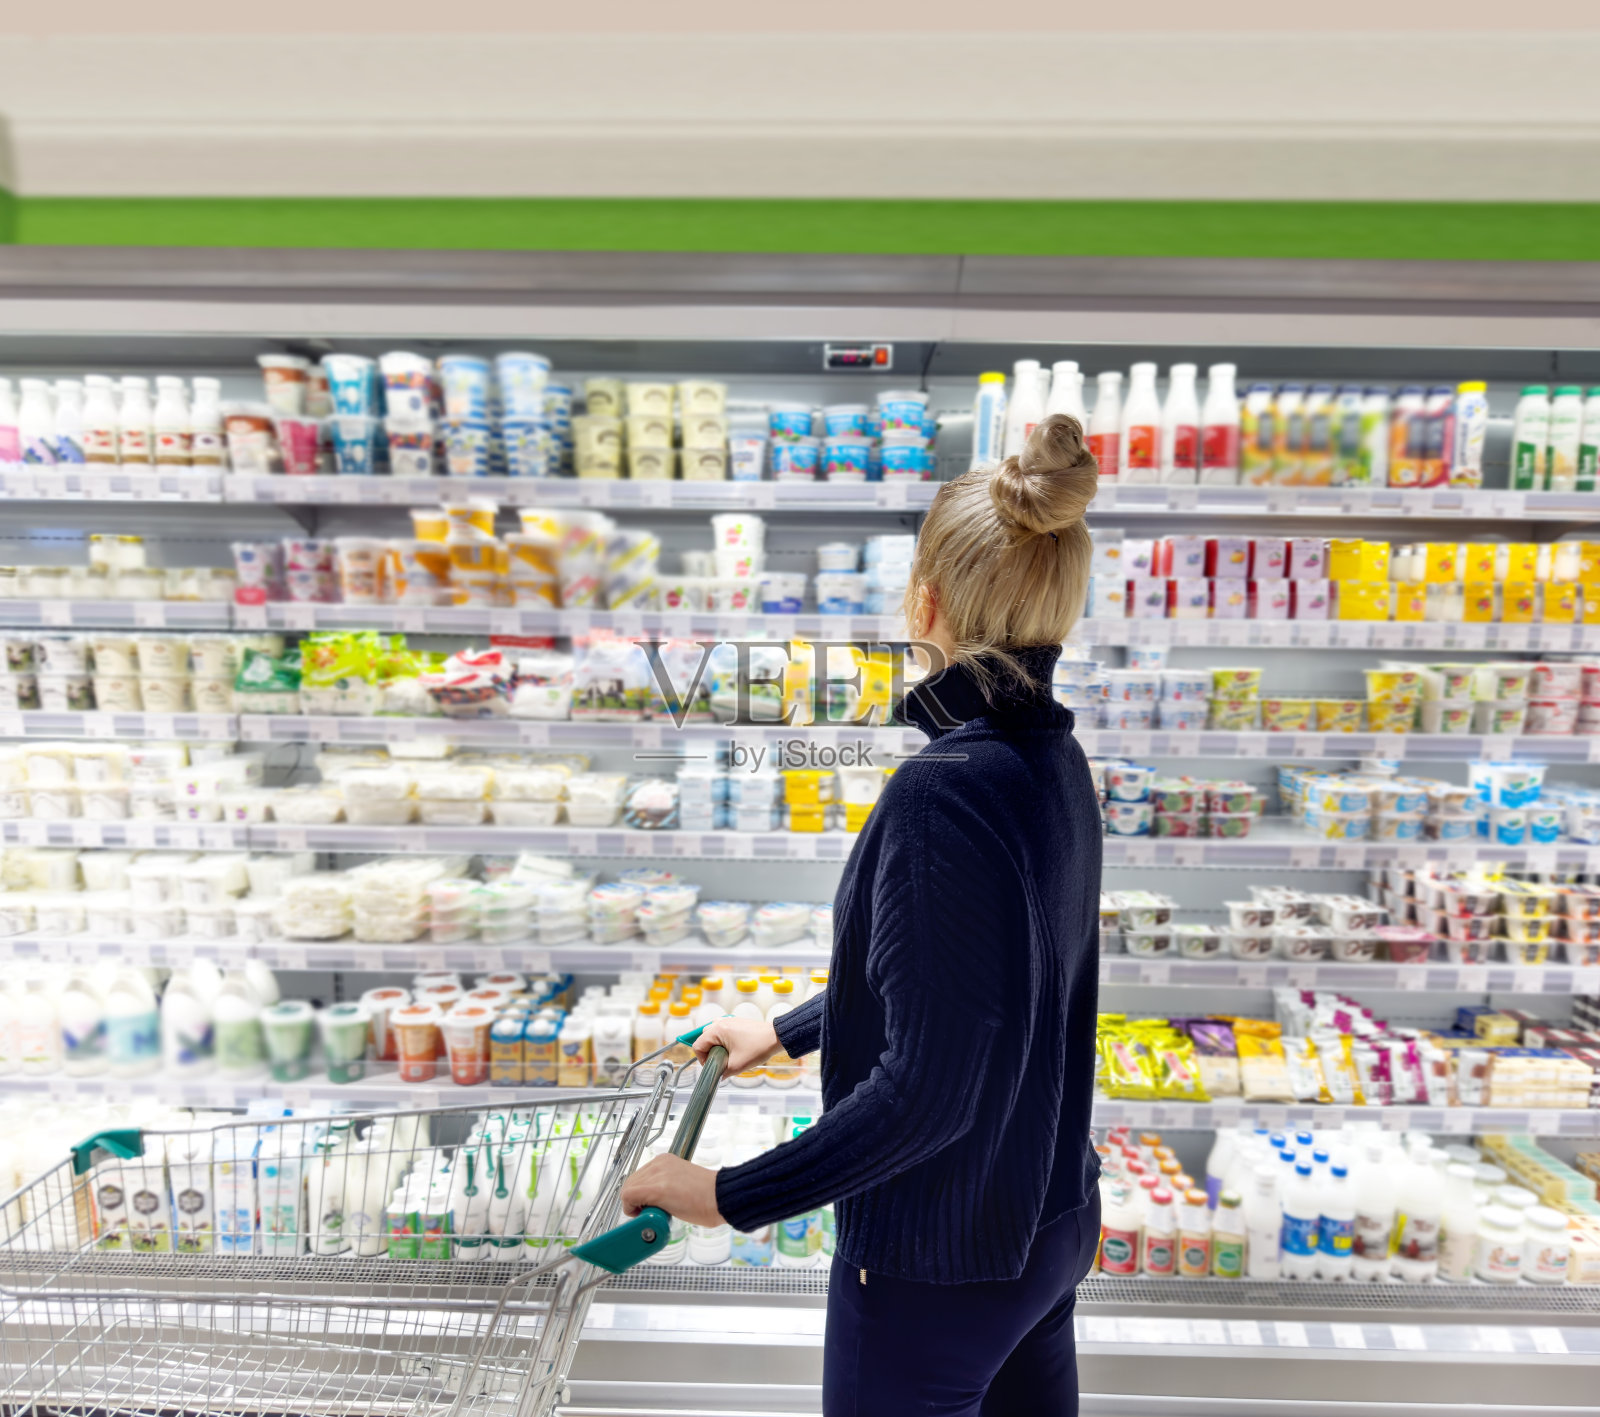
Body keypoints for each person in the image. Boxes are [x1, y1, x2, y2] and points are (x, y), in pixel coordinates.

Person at [621, 412, 1104, 1415]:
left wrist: (724, 1193)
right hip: (1047, 1223)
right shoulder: (1050, 761)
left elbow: (929, 1088)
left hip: (939, 1261)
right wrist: (789, 1028)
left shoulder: (945, 791)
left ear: (924, 601)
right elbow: (981, 985)